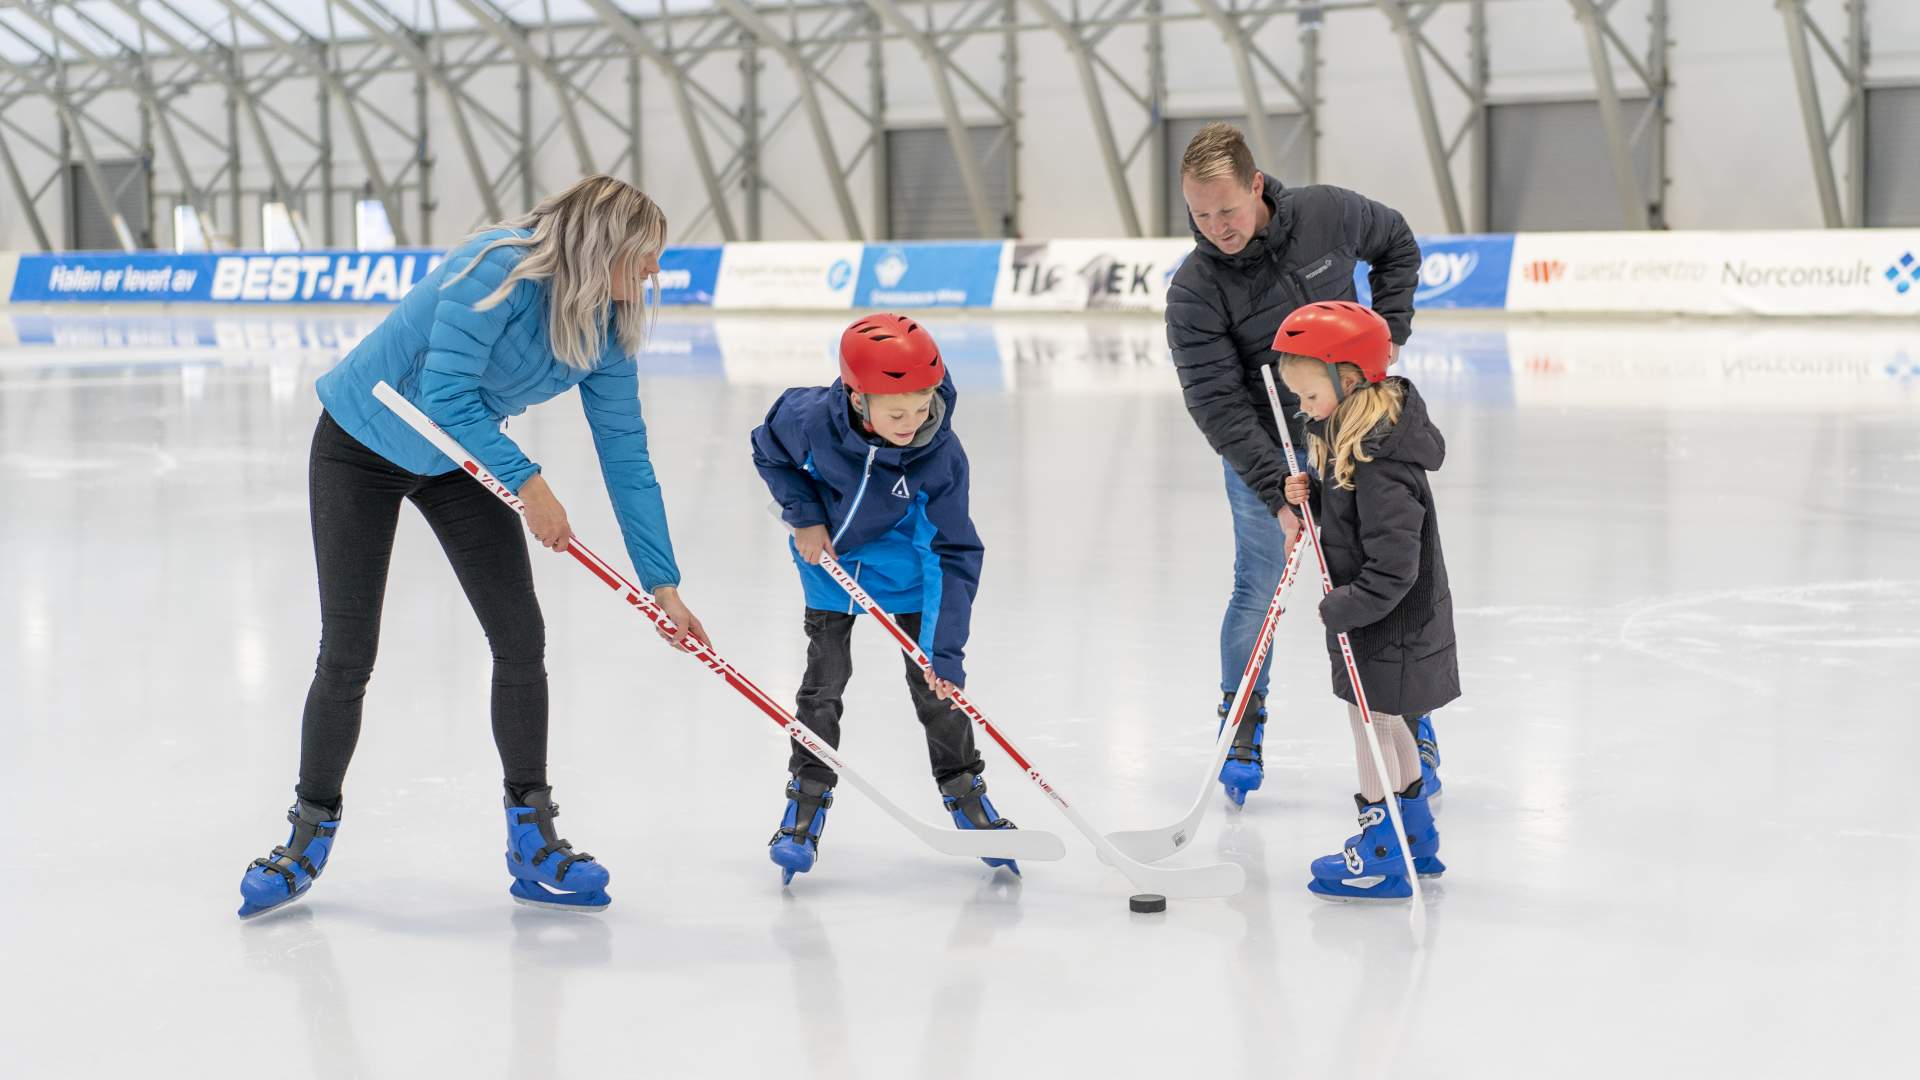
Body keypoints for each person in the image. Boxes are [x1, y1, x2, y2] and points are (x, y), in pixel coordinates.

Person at [236, 175, 709, 918]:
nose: (653, 271)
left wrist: (663, 583)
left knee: (521, 639)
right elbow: (445, 396)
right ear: (601, 247)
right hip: (363, 442)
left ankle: (532, 837)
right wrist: (531, 484)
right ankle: (307, 831)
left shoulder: (610, 323)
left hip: (458, 459)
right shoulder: (495, 269)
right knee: (349, 651)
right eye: (644, 255)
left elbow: (625, 449)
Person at [1165, 120, 1425, 807]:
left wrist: (1389, 331)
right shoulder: (1194, 289)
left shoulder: (1326, 213)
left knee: (1380, 584)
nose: (1216, 226)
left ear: (1257, 186)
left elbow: (1396, 243)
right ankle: (1241, 722)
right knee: (1259, 588)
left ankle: (1410, 727)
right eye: (1198, 213)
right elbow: (1217, 402)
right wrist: (1277, 492)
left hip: (1357, 433)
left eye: (1227, 209)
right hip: (1268, 444)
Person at [749, 314, 1016, 884]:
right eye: (897, 413)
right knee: (823, 686)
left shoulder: (940, 455)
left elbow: (954, 552)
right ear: (856, 397)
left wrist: (945, 654)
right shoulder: (807, 419)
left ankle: (966, 795)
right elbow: (767, 452)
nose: (912, 423)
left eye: (922, 408)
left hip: (913, 575)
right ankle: (807, 799)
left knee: (935, 690)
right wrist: (804, 516)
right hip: (833, 566)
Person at [1274, 301, 1457, 902]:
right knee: (1387, 723)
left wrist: (1342, 608)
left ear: (1348, 378)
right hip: (1385, 622)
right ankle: (1416, 837)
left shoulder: (1380, 462)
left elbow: (1396, 564)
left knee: (1370, 731)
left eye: (1307, 395)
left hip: (1387, 624)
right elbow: (1355, 525)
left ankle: (1382, 855)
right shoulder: (1360, 444)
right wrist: (1314, 500)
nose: (1302, 409)